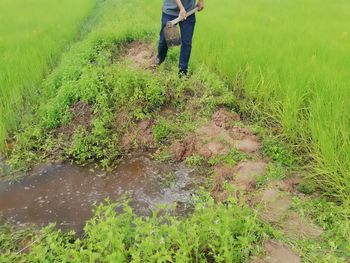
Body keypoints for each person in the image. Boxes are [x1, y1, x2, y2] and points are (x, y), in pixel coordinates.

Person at [155, 0, 204, 77]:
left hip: (188, 11)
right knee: (164, 40)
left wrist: (201, 1)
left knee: (186, 43)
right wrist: (181, 8)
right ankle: (160, 58)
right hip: (170, 11)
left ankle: (182, 72)